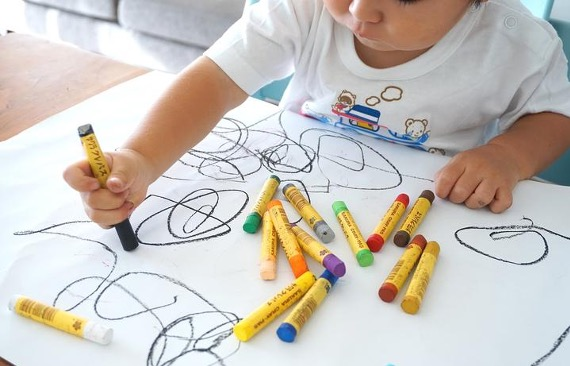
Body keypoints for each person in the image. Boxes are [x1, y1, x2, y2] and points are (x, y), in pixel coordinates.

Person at [63, 0, 570, 228]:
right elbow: (215, 80)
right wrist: (142, 157)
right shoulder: (300, 8)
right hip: (295, 199)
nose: (362, 11)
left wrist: (507, 155)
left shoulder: (517, 44)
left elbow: (555, 116)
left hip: (430, 216)